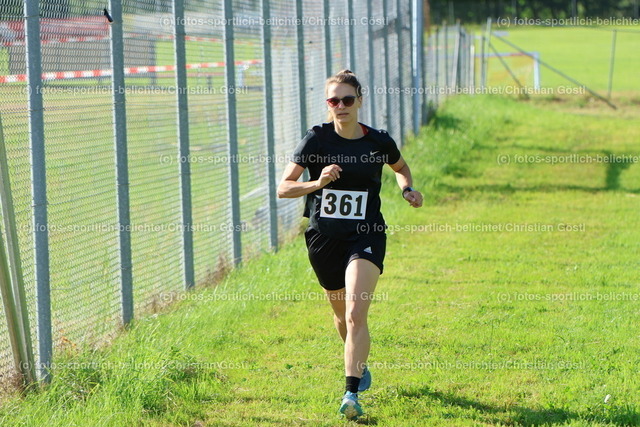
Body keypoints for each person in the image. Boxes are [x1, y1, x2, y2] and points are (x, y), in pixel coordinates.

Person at [277, 69, 423, 420]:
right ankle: (357, 360)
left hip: (366, 233)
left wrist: (407, 189)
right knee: (341, 315)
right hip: (324, 237)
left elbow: (400, 167)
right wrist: (318, 183)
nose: (340, 106)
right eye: (333, 100)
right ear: (327, 105)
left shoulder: (378, 141)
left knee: (357, 313)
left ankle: (351, 393)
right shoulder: (316, 140)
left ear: (359, 101)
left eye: (347, 99)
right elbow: (284, 188)